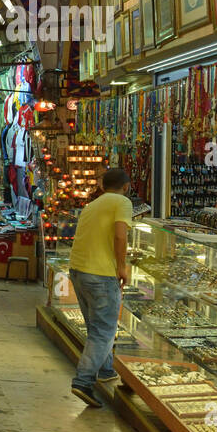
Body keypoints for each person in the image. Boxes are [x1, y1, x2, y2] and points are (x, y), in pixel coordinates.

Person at [68, 168, 134, 408]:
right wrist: (122, 266)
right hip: (100, 274)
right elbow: (120, 236)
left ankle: (105, 370)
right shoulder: (122, 202)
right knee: (104, 330)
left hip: (79, 270)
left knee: (96, 327)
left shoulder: (92, 205)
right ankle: (83, 381)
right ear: (126, 186)